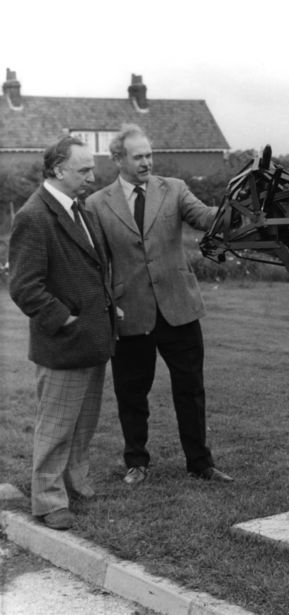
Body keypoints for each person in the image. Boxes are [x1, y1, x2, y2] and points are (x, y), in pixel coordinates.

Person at [85, 124, 233, 484]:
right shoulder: (96, 204)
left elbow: (205, 217)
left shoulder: (175, 190)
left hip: (179, 309)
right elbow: (96, 264)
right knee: (131, 392)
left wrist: (237, 206)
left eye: (149, 155)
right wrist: (108, 307)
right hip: (130, 312)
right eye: (139, 157)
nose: (147, 162)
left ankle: (200, 463)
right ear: (118, 159)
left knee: (191, 388)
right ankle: (137, 462)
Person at [8, 136, 116, 530]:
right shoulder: (34, 216)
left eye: (91, 168)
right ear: (57, 171)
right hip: (63, 343)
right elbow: (24, 286)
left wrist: (105, 306)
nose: (93, 176)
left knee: (83, 423)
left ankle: (76, 482)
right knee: (55, 427)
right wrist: (65, 320)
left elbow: (93, 268)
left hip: (92, 339)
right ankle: (49, 501)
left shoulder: (80, 209)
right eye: (84, 169)